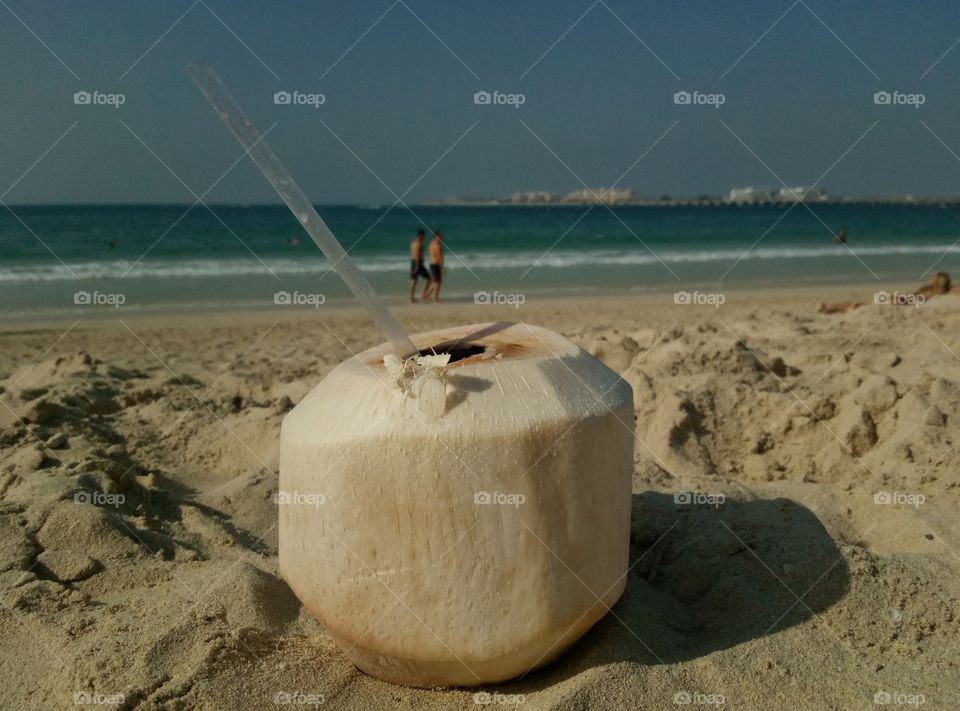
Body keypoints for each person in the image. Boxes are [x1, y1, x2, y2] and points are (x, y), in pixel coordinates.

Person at [409, 229, 431, 302]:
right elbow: (417, 255)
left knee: (414, 280)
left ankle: (412, 297)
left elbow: (414, 254)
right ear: (421, 236)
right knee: (428, 279)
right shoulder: (418, 243)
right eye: (424, 236)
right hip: (417, 263)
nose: (424, 238)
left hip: (414, 262)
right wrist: (418, 265)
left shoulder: (413, 243)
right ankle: (423, 295)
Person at [426, 230, 444, 302]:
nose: (441, 238)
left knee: (436, 282)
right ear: (436, 236)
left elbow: (431, 254)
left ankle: (429, 295)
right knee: (437, 282)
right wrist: (442, 267)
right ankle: (433, 297)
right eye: (440, 236)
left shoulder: (431, 244)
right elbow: (439, 257)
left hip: (432, 264)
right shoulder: (438, 245)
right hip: (436, 265)